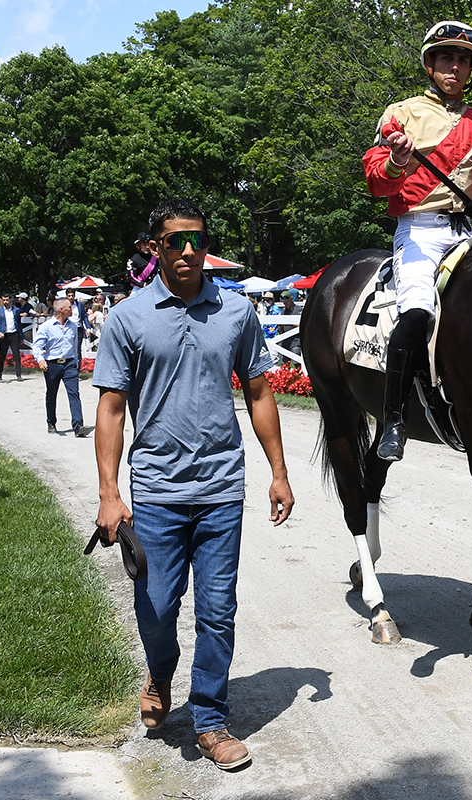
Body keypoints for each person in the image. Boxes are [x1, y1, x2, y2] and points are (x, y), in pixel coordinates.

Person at [94, 198, 295, 771]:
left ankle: (209, 718)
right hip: (155, 491)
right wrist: (111, 494)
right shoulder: (128, 318)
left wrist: (278, 473)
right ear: (155, 246)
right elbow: (110, 409)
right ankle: (159, 671)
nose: (188, 251)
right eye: (176, 241)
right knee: (156, 607)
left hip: (220, 488)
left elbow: (259, 394)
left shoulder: (235, 313)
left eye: (197, 240)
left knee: (217, 609)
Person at [362, 20, 472, 461]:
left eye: (464, 61)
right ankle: (392, 419)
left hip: (469, 233)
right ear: (430, 64)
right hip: (421, 232)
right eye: (447, 58)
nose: (455, 67)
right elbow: (376, 181)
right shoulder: (401, 113)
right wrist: (396, 160)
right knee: (415, 315)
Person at [31, 297, 87, 436]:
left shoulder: (73, 326)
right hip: (52, 365)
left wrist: (75, 361)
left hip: (69, 364)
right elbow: (36, 346)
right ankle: (51, 422)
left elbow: (75, 347)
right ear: (61, 310)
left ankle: (78, 425)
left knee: (74, 393)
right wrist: (40, 359)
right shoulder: (46, 327)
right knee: (51, 393)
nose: (72, 309)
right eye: (69, 307)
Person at [0, 293, 23, 381]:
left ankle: (19, 375)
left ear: (10, 300)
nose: (5, 302)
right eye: (4, 300)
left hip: (14, 334)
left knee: (16, 354)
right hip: (3, 335)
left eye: (7, 300)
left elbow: (19, 324)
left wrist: (21, 337)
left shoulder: (16, 310)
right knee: (2, 354)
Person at [63, 287, 92, 364]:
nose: (71, 297)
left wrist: (88, 328)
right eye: (69, 296)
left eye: (72, 295)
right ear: (66, 296)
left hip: (78, 328)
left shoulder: (79, 305)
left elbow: (84, 317)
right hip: (67, 328)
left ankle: (77, 368)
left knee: (78, 349)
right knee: (68, 348)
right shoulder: (63, 306)